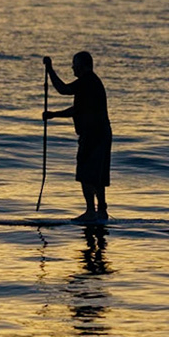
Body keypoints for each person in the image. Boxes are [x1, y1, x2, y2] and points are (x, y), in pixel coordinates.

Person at [43, 51, 110, 223]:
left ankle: (91, 211)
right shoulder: (91, 83)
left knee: (86, 172)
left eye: (75, 64)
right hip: (101, 133)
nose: (72, 67)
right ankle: (101, 211)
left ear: (82, 66)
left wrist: (50, 70)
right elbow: (77, 110)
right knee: (97, 173)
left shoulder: (87, 81)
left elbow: (63, 89)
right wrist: (54, 115)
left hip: (93, 134)